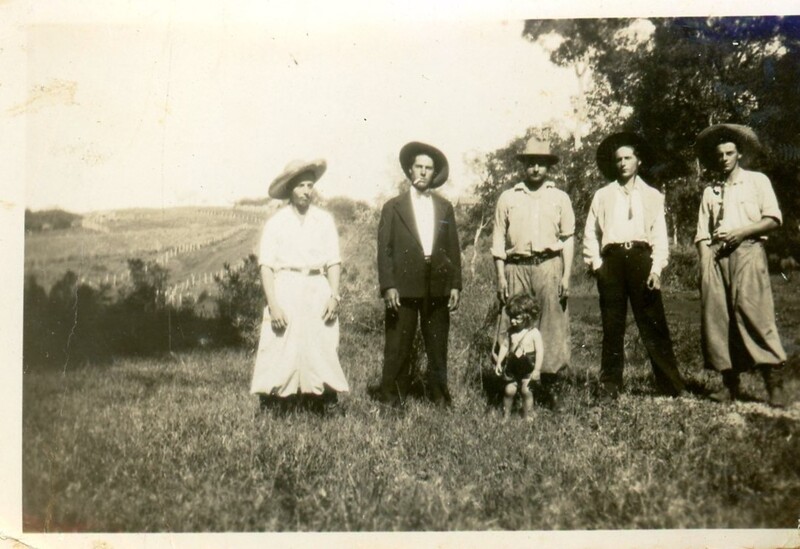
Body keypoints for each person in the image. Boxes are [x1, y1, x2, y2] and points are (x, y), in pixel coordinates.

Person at [583, 132, 686, 400]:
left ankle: (669, 385)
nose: (623, 164)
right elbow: (590, 233)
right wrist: (597, 266)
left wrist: (656, 269)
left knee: (653, 323)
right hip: (612, 261)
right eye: (618, 159)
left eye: (628, 158)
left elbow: (659, 236)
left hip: (642, 259)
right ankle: (610, 386)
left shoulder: (652, 196)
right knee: (612, 325)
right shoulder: (603, 195)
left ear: (638, 161)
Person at [694, 124, 788, 407]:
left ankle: (774, 383)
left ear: (739, 154)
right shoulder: (711, 191)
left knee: (755, 313)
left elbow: (773, 219)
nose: (724, 158)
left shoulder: (757, 181)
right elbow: (702, 232)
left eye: (729, 153)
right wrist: (705, 263)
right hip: (716, 257)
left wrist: (742, 232)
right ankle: (729, 385)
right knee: (718, 319)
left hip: (748, 251)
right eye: (719, 154)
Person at [250, 159, 348, 414]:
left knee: (321, 342)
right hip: (286, 286)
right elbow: (266, 266)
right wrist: (273, 304)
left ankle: (323, 399)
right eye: (301, 186)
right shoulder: (276, 223)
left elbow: (333, 261)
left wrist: (334, 296)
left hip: (317, 285)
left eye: (310, 185)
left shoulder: (323, 220)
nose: (306, 191)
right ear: (289, 189)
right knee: (281, 341)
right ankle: (276, 401)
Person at [490, 137, 574, 410]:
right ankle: (510, 385)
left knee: (552, 325)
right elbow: (498, 240)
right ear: (523, 165)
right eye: (530, 163)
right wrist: (500, 276)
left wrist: (566, 276)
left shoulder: (559, 197)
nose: (535, 168)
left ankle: (550, 386)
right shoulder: (509, 197)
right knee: (511, 322)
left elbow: (568, 238)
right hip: (516, 267)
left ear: (548, 166)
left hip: (549, 266)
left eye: (541, 163)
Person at [377, 141, 462, 408]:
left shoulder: (444, 207)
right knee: (398, 344)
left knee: (437, 345)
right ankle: (391, 399)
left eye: (429, 168)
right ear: (410, 170)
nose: (423, 172)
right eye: (419, 167)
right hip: (403, 285)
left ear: (434, 173)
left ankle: (440, 398)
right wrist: (388, 286)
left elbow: (452, 248)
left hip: (437, 284)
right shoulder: (393, 207)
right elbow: (384, 251)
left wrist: (455, 285)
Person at [494, 293, 544, 421]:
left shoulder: (534, 333)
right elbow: (505, 346)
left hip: (528, 366)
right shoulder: (511, 331)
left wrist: (537, 370)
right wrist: (499, 362)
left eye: (517, 318)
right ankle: (506, 415)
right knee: (509, 390)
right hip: (513, 366)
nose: (512, 321)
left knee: (526, 391)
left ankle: (528, 415)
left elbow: (540, 351)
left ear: (528, 316)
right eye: (511, 317)